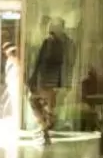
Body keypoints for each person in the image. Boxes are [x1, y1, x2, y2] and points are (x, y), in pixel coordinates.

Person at [30, 17, 72, 145]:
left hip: (50, 81)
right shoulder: (60, 43)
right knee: (45, 105)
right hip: (51, 81)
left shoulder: (57, 43)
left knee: (43, 104)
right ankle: (45, 129)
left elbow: (42, 61)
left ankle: (45, 128)